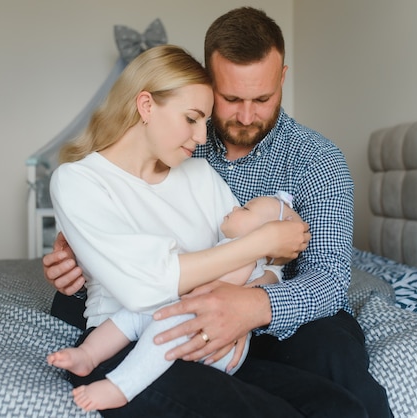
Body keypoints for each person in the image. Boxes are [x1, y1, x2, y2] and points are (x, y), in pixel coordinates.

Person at [44, 7, 392, 417]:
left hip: (279, 305)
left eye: (262, 98)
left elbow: (329, 279)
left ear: (282, 78)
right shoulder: (187, 143)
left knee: (338, 369)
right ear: (210, 80)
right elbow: (140, 265)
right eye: (229, 99)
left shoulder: (315, 160)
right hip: (162, 309)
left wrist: (251, 306)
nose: (246, 115)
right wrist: (83, 262)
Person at [47, 193, 299, 412]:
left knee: (164, 332)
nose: (234, 208)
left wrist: (170, 274)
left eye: (244, 209)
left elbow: (208, 284)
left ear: (264, 235)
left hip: (213, 336)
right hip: (190, 313)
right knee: (132, 315)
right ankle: (88, 354)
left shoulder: (247, 259)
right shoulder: (238, 251)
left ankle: (121, 386)